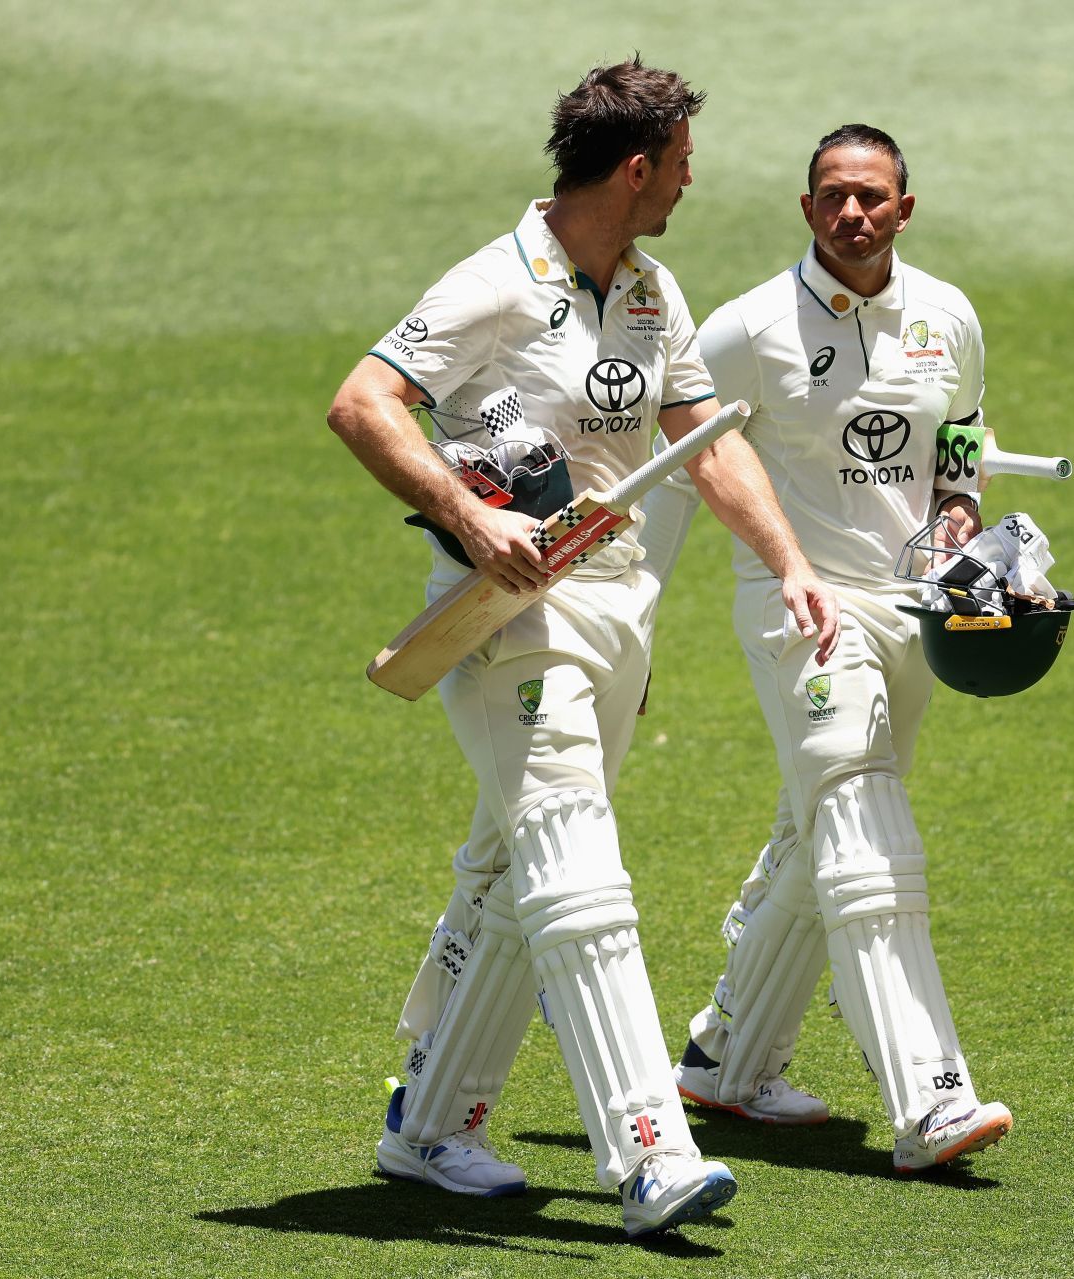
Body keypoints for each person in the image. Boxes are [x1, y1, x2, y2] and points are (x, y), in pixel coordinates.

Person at [325, 59, 837, 1238]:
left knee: (521, 880)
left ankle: (432, 1126)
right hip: (507, 617)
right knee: (578, 868)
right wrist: (471, 511)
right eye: (684, 163)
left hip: (617, 612)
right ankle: (648, 1147)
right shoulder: (492, 283)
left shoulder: (652, 291)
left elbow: (706, 445)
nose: (692, 182)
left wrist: (791, 561)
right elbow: (364, 401)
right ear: (638, 165)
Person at [637, 124, 1013, 1173]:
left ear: (905, 207)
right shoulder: (746, 328)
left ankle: (727, 1059)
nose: (853, 212)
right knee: (863, 825)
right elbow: (677, 472)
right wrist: (635, 628)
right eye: (834, 196)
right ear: (808, 210)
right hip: (796, 602)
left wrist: (956, 528)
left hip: (911, 611)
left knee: (823, 830)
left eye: (872, 197)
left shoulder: (950, 317)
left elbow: (964, 443)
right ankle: (931, 1096)